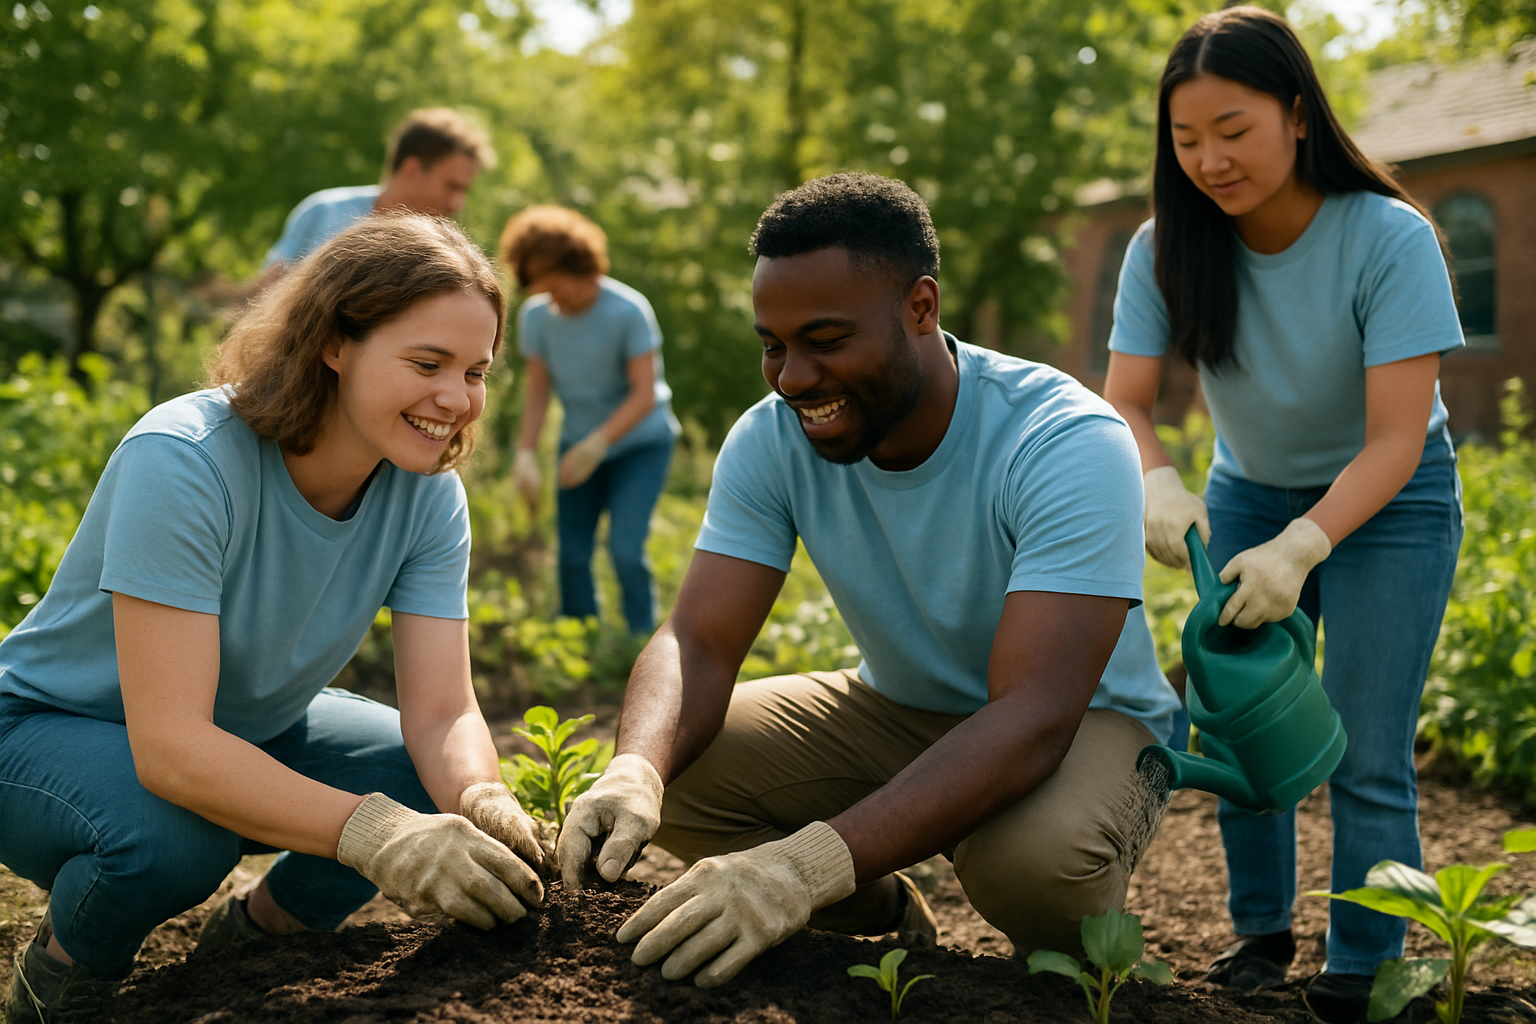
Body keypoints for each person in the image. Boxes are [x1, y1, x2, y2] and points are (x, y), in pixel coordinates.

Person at [554, 172, 1182, 989]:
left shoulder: (1063, 439)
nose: (791, 378)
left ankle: (1079, 976)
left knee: (1028, 866)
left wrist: (801, 867)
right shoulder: (771, 438)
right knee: (683, 764)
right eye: (773, 344)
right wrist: (635, 768)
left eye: (824, 340)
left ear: (921, 308)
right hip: (900, 708)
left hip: (1084, 727)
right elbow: (698, 640)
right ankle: (882, 911)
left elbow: (1034, 712)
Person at [0, 214, 550, 1024]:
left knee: (412, 775)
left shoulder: (427, 493)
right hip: (47, 730)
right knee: (174, 841)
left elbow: (442, 708)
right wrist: (375, 836)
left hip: (240, 725)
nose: (456, 399)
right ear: (334, 342)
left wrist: (479, 798)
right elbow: (173, 746)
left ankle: (258, 942)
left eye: (476, 371)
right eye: (427, 362)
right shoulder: (184, 460)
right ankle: (65, 975)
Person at [1100, 9, 1464, 1023]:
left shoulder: (1387, 236)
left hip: (1394, 499)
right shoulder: (1164, 247)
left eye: (1234, 128)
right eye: (1186, 139)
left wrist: (1307, 544)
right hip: (1247, 492)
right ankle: (1260, 933)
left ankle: (1364, 964)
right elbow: (1127, 399)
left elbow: (1396, 438)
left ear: (1298, 115)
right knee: (1243, 719)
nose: (1210, 159)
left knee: (1365, 742)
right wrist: (1160, 482)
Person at [500, 206, 680, 635]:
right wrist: (525, 452)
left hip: (640, 446)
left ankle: (641, 641)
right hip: (577, 445)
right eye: (542, 291)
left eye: (555, 287)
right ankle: (580, 638)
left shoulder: (629, 311)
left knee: (625, 550)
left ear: (578, 265)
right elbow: (539, 391)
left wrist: (599, 443)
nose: (552, 299)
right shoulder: (538, 318)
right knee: (573, 554)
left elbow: (645, 393)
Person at [257, 108, 496, 288]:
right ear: (412, 170)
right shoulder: (323, 212)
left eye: (464, 191)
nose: (458, 204)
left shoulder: (442, 256)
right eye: (451, 187)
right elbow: (263, 297)